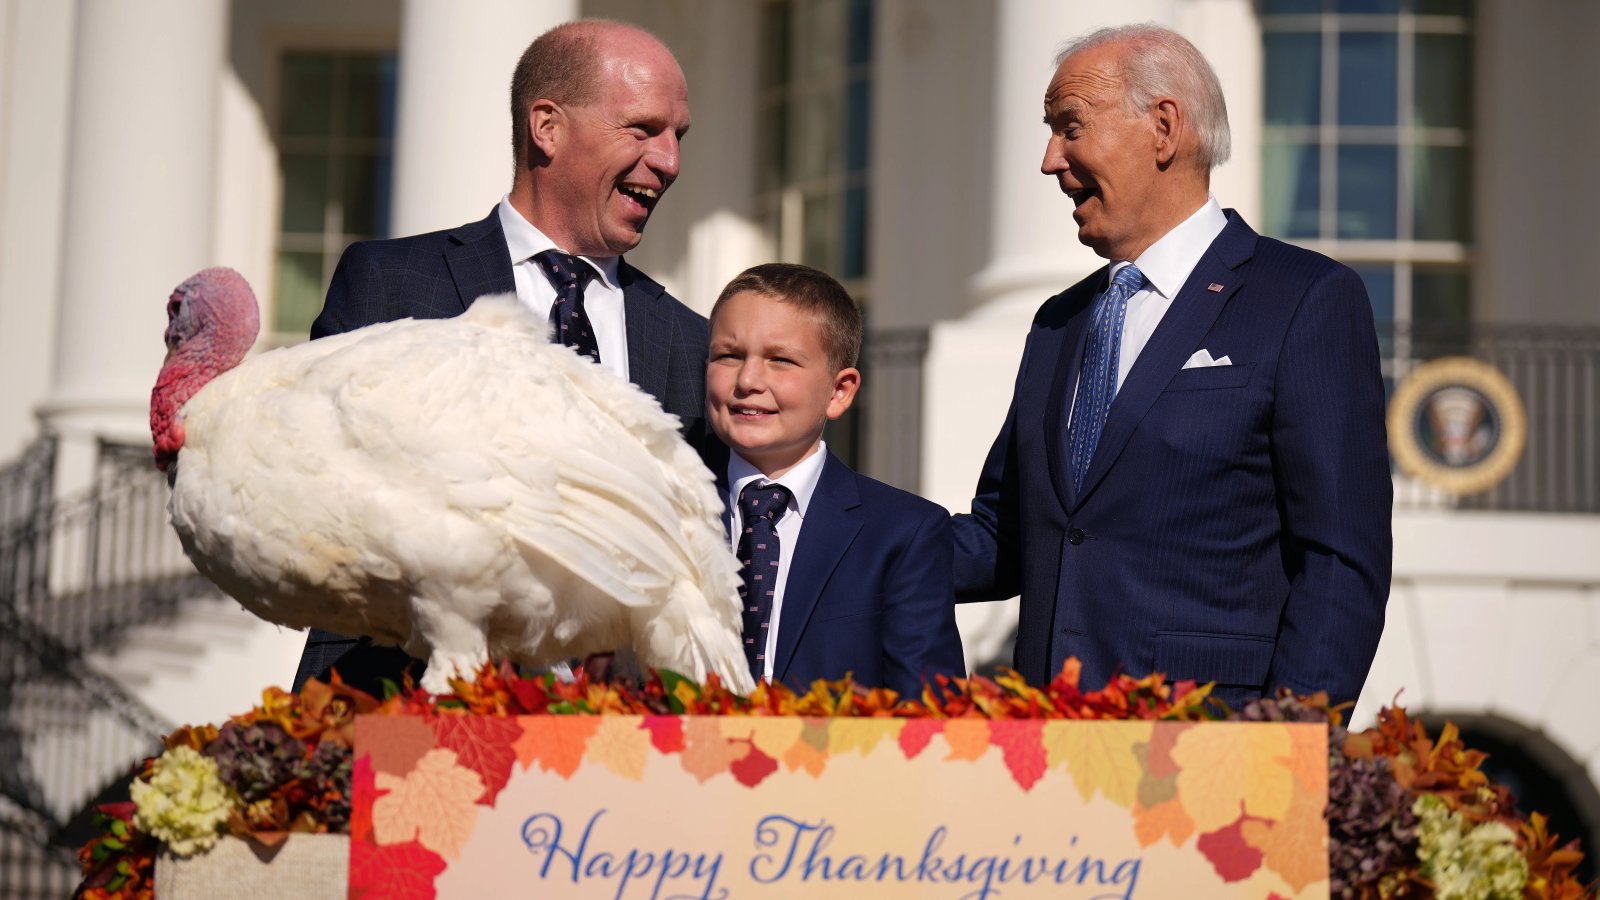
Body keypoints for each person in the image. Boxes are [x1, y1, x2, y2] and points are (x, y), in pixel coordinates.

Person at [952, 24, 1392, 709]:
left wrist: (1286, 757)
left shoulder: (1303, 299)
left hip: (1210, 758)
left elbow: (1339, 561)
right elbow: (1002, 538)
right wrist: (829, 520)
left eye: (1071, 128)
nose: (1049, 160)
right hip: (1043, 759)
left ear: (1163, 128)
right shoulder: (1058, 323)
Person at [294, 20, 705, 693]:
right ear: (547, 127)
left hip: (616, 756)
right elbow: (314, 483)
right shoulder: (392, 284)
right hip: (395, 709)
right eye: (643, 129)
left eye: (677, 137)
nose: (669, 161)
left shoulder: (690, 341)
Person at [707, 263, 966, 696]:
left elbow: (929, 720)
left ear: (839, 391)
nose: (748, 380)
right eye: (728, 355)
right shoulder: (662, 507)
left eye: (780, 361)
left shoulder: (903, 533)